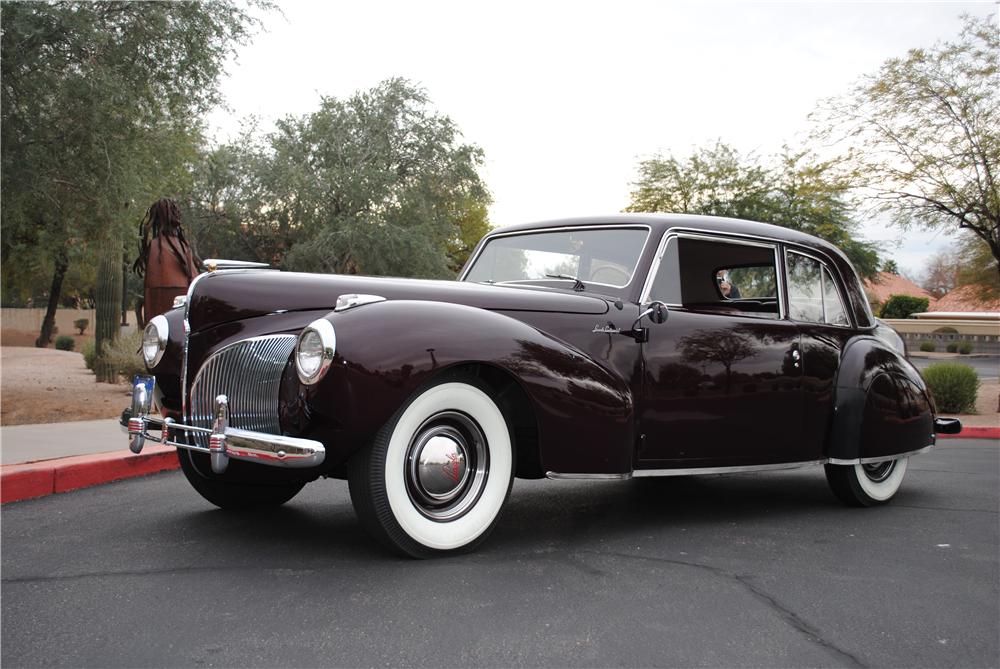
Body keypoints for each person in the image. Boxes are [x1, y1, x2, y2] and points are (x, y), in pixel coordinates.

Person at [132, 198, 201, 326]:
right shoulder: (183, 246)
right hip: (182, 300)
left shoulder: (155, 247)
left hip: (162, 305)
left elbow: (150, 292)